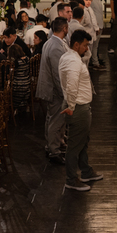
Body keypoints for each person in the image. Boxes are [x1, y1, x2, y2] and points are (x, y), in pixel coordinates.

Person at [59, 29, 101, 191]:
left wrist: (86, 51)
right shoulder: (73, 61)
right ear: (76, 45)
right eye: (85, 45)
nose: (87, 48)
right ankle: (71, 179)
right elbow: (71, 85)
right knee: (75, 144)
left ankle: (86, 171)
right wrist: (71, 106)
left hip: (77, 105)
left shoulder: (69, 57)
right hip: (77, 107)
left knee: (82, 140)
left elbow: (86, 56)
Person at [36, 17, 70, 165]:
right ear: (64, 28)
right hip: (54, 90)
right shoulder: (56, 46)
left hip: (50, 88)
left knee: (52, 118)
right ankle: (53, 150)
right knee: (56, 120)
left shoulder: (50, 42)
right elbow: (58, 73)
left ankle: (54, 144)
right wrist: (64, 93)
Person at [80, 0, 103, 69]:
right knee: (85, 54)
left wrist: (96, 28)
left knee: (91, 52)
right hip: (86, 35)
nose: (88, 2)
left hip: (91, 34)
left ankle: (93, 64)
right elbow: (81, 24)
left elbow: (93, 20)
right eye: (86, 0)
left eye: (90, 0)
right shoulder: (82, 10)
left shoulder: (90, 9)